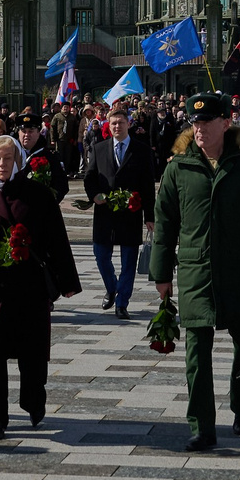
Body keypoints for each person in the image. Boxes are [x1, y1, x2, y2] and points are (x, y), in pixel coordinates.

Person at [151, 90, 240, 452]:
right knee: (197, 351)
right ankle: (201, 425)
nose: (200, 129)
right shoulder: (177, 168)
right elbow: (164, 225)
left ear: (226, 123)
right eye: (195, 123)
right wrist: (161, 274)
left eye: (207, 122)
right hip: (196, 272)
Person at [0, 133, 81, 439]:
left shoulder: (36, 195)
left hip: (29, 289)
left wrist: (67, 281)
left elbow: (56, 240)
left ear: (18, 161)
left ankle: (33, 401)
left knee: (32, 356)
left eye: (7, 159)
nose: (1, 164)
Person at [83, 102, 157, 319]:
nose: (117, 126)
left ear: (128, 124)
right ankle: (111, 286)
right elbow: (89, 177)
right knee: (100, 255)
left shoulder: (141, 150)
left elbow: (147, 186)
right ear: (109, 125)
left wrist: (149, 216)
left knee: (129, 261)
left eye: (121, 122)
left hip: (130, 214)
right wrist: (94, 195)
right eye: (113, 123)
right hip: (105, 213)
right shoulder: (99, 148)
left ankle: (122, 302)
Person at [12, 111, 68, 200]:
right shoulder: (11, 154)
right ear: (18, 132)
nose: (26, 135)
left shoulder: (50, 157)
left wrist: (46, 202)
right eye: (23, 131)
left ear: (38, 133)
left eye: (30, 131)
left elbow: (62, 186)